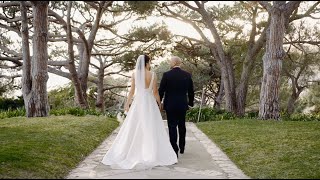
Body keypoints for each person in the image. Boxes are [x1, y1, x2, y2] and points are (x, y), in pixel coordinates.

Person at [101, 54, 178, 170]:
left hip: (138, 102)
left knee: (134, 125)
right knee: (151, 126)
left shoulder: (135, 74)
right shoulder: (153, 74)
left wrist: (127, 104)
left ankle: (134, 150)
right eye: (150, 62)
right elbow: (156, 91)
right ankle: (151, 152)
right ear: (147, 63)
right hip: (149, 102)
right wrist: (159, 103)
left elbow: (132, 91)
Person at [158, 56, 194, 157]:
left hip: (170, 105)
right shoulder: (187, 75)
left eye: (170, 62)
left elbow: (161, 90)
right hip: (182, 104)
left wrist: (159, 102)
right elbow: (191, 91)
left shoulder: (167, 75)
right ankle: (182, 147)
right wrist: (190, 103)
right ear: (180, 63)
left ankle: (174, 149)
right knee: (182, 126)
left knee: (172, 127)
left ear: (173, 63)